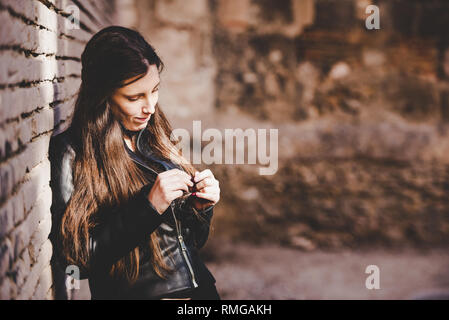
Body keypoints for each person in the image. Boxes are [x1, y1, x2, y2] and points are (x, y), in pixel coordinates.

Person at [48, 26, 221, 300]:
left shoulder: (153, 133)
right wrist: (148, 207)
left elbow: (191, 243)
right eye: (134, 97)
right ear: (102, 95)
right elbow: (76, 261)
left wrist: (200, 208)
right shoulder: (72, 151)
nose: (150, 107)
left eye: (154, 90)